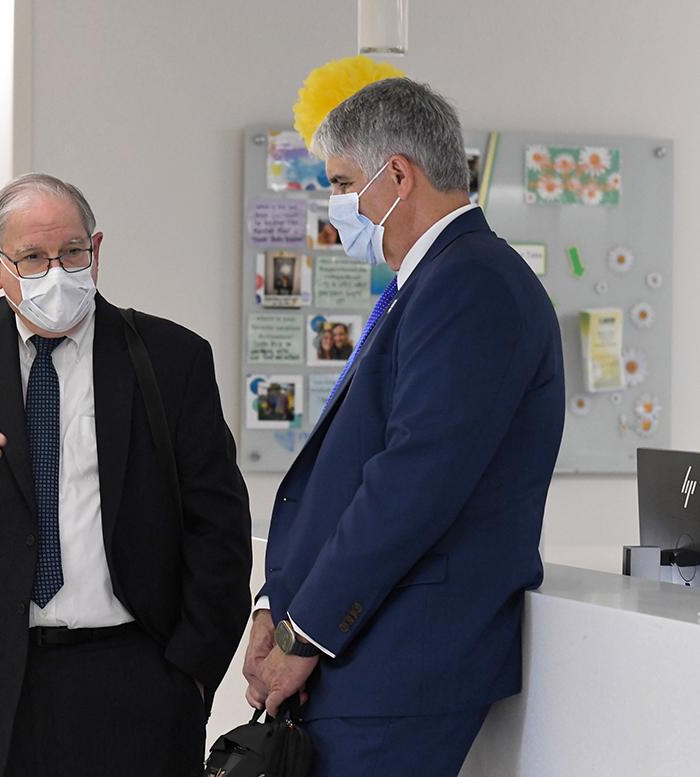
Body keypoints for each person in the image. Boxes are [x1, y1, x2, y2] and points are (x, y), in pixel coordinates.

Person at [0, 173, 252, 777]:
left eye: (73, 253)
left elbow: (218, 524)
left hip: (135, 678)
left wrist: (190, 674)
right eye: (32, 258)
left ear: (97, 249)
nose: (57, 273)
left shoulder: (171, 357)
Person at [242, 78, 564, 777]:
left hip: (395, 664)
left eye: (341, 182)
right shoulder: (427, 284)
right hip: (363, 658)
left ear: (396, 175)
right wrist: (277, 605)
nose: (334, 208)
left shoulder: (470, 282)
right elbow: (355, 469)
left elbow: (411, 482)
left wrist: (305, 632)